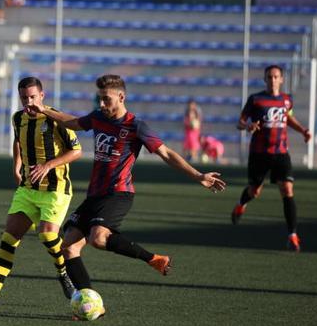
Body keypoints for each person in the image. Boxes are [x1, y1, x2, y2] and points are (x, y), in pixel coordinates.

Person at [25, 75, 225, 302]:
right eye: (99, 99)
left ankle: (153, 259)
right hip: (94, 195)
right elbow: (71, 122)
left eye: (106, 100)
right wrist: (44, 110)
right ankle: (89, 302)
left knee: (98, 238)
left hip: (118, 194)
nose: (101, 105)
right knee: (67, 247)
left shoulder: (136, 126)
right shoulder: (98, 117)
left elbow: (166, 153)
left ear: (121, 97)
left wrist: (198, 175)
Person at [0, 77, 82, 307]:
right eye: (24, 98)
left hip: (55, 189)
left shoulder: (57, 120)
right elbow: (18, 141)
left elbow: (77, 151)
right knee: (9, 238)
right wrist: (16, 165)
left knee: (47, 235)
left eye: (33, 97)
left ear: (42, 96)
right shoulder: (18, 118)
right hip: (28, 189)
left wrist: (48, 165)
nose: (29, 102)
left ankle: (64, 275)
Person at [231, 65, 312, 252]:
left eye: (276, 77)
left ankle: (292, 235)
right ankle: (241, 204)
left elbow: (288, 118)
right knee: (254, 191)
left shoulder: (286, 100)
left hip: (281, 152)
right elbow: (240, 122)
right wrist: (248, 125)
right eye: (269, 77)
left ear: (282, 79)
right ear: (265, 79)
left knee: (287, 189)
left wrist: (303, 131)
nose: (273, 80)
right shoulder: (256, 99)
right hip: (259, 153)